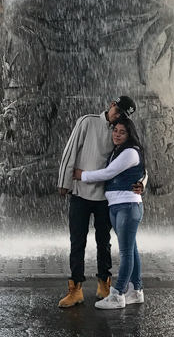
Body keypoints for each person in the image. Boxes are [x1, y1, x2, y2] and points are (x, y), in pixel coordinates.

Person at [56, 95, 137, 308]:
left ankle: (104, 282)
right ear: (111, 105)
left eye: (122, 117)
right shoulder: (87, 121)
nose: (118, 118)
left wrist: (143, 182)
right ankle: (76, 289)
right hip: (80, 194)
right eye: (117, 111)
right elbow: (70, 151)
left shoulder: (119, 134)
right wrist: (63, 182)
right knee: (77, 242)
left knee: (104, 241)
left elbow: (137, 159)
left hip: (105, 197)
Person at [74, 115, 146, 310]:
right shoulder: (119, 150)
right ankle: (136, 290)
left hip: (127, 206)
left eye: (122, 132)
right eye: (115, 131)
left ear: (130, 134)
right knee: (131, 250)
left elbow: (109, 173)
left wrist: (83, 175)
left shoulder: (130, 152)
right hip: (118, 205)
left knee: (125, 253)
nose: (117, 135)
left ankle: (118, 294)